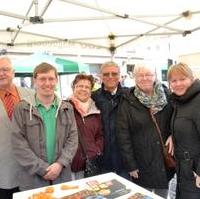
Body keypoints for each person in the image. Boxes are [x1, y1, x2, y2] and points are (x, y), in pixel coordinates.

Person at [11, 62, 78, 190]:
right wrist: (42, 169)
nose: (47, 83)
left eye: (51, 79)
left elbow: (73, 139)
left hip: (61, 175)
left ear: (56, 81)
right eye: (42, 79)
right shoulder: (22, 108)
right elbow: (18, 144)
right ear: (35, 81)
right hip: (33, 178)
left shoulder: (67, 108)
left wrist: (59, 164)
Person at [116, 63, 174, 198]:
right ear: (134, 78)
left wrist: (173, 135)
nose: (145, 78)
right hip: (141, 162)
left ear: (155, 76)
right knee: (141, 195)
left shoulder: (168, 96)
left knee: (162, 195)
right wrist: (130, 165)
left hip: (163, 160)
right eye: (140, 75)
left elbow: (177, 120)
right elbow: (123, 135)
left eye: (148, 74)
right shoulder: (127, 101)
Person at [0, 56, 34, 199]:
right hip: (4, 169)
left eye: (5, 69)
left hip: (33, 166)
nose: (1, 73)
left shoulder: (32, 95)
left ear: (13, 72)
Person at [167, 62, 200, 199]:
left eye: (182, 79)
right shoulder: (180, 101)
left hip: (195, 170)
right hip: (184, 169)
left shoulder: (197, 101)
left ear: (191, 79)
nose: (178, 84)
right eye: (174, 80)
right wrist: (172, 135)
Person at [92, 61, 129, 178]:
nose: (110, 77)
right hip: (103, 160)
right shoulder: (93, 97)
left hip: (125, 160)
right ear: (100, 76)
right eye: (106, 74)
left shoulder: (129, 95)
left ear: (120, 75)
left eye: (114, 73)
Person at [69, 74, 104, 180]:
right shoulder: (65, 108)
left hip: (91, 162)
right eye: (80, 86)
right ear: (73, 87)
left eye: (87, 87)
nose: (83, 89)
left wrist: (96, 150)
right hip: (71, 165)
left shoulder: (96, 110)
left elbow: (100, 135)